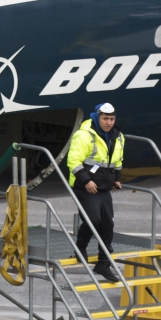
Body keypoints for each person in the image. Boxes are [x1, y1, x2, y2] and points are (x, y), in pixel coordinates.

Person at [67, 103, 124, 282]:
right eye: (105, 119)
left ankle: (103, 263)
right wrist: (86, 181)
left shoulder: (118, 136)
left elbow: (117, 160)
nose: (109, 122)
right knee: (93, 220)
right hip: (84, 185)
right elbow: (73, 161)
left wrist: (116, 178)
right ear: (97, 117)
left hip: (104, 186)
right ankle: (81, 246)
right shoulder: (83, 135)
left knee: (108, 223)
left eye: (111, 119)